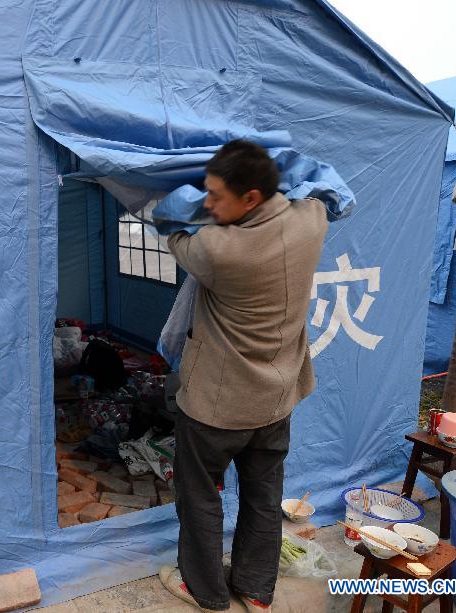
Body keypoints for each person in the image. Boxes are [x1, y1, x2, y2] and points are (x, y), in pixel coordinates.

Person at [158, 140, 328, 612]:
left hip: (216, 404)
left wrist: (181, 199)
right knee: (263, 495)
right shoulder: (311, 222)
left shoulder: (217, 249)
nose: (207, 203)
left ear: (250, 198)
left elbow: (170, 225)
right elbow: (324, 191)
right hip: (278, 397)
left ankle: (207, 592)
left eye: (215, 196)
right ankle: (256, 591)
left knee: (199, 498)